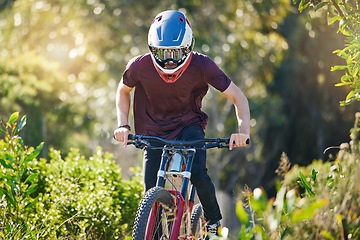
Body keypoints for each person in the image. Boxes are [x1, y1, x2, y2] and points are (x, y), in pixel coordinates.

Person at [113, 10, 250, 237]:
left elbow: (238, 98)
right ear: (152, 49)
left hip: (188, 125)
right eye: (162, 52)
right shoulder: (139, 66)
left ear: (188, 47)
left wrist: (242, 131)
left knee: (197, 173)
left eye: (175, 53)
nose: (168, 60)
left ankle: (214, 222)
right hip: (152, 130)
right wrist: (122, 125)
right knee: (150, 191)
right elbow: (123, 91)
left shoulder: (202, 65)